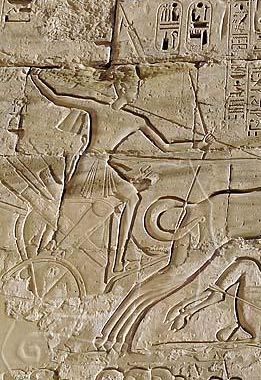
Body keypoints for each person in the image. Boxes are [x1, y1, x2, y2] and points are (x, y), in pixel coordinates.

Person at [30, 67, 212, 277]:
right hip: (90, 165)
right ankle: (54, 244)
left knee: (132, 197)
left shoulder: (136, 120)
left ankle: (117, 260)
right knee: (69, 211)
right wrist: (36, 79)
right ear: (122, 88)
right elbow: (57, 98)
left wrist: (197, 144)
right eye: (134, 88)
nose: (136, 92)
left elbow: (166, 146)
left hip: (104, 167)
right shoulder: (98, 108)